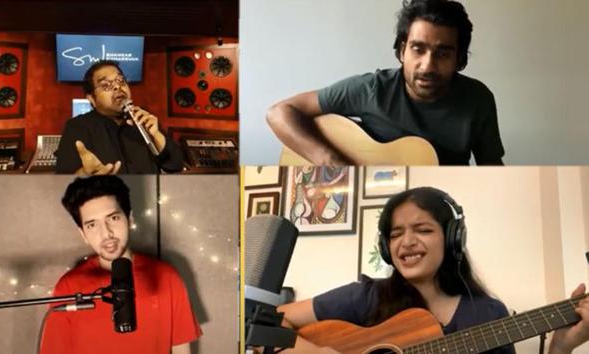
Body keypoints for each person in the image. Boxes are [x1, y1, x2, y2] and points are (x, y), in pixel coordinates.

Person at [277, 187, 589, 354]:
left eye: (423, 230)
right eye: (396, 234)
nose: (406, 242)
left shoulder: (488, 314)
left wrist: (560, 348)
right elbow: (275, 318)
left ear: (452, 239)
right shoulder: (366, 297)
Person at [266, 0, 504, 166]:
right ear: (402, 51)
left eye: (442, 54)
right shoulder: (370, 90)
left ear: (460, 60)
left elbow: (491, 165)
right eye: (418, 49)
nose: (427, 66)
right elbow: (279, 113)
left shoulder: (478, 100)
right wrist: (330, 161)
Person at [40, 176, 201, 354]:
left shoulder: (166, 277)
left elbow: (181, 349)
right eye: (92, 225)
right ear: (83, 234)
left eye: (113, 218)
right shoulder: (68, 287)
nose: (106, 233)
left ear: (130, 219)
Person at [55, 60, 184, 174]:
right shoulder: (77, 126)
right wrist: (84, 175)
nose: (117, 87)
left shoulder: (143, 120)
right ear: (91, 99)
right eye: (106, 85)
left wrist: (157, 136)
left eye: (121, 80)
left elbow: (176, 165)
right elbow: (62, 182)